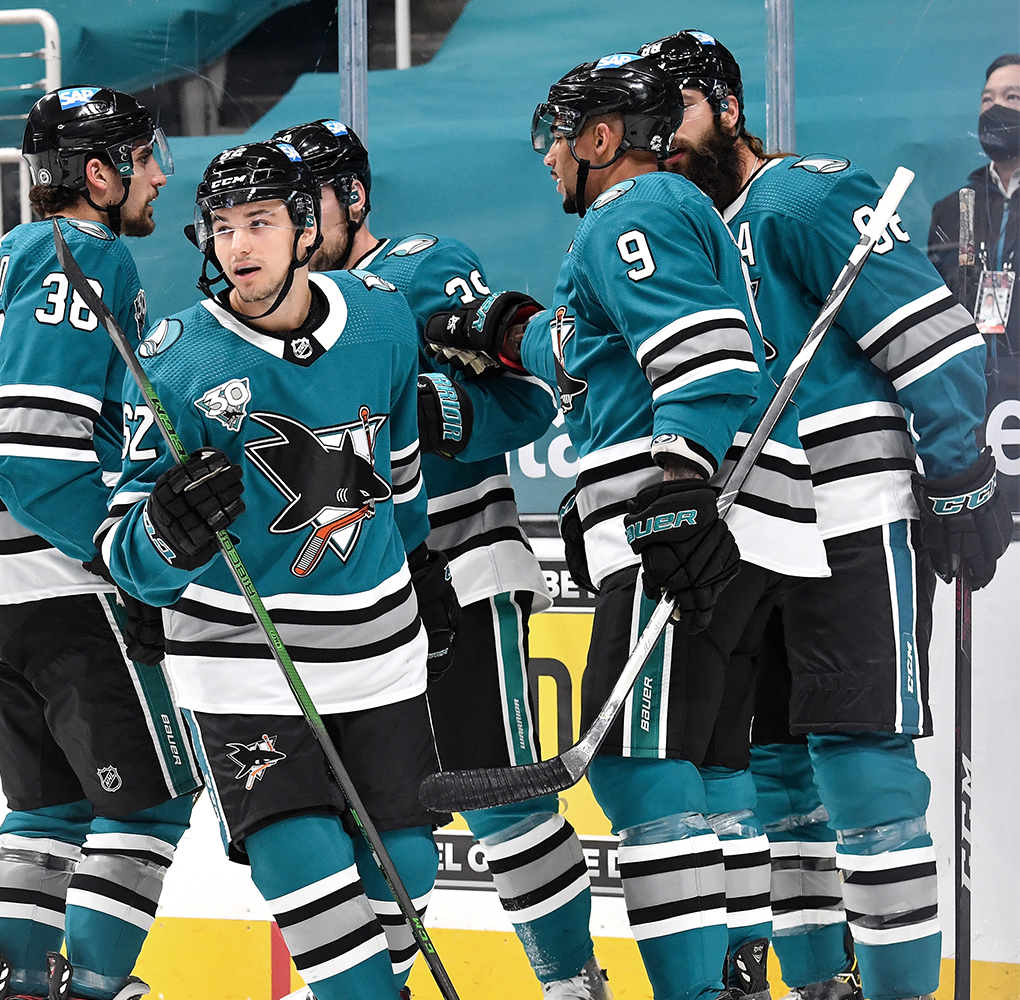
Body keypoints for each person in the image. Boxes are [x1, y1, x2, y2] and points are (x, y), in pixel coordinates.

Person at [424, 51, 829, 1000]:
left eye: (558, 139)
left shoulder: (631, 212)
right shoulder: (664, 218)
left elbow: (704, 353)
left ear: (603, 139)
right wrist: (503, 327)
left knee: (642, 776)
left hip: (682, 522)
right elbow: (595, 350)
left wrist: (680, 478)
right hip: (749, 522)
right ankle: (735, 981)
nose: (549, 159)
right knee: (714, 770)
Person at [647, 28, 1006, 1000]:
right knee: (774, 773)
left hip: (849, 514)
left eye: (675, 110)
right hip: (742, 531)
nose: (660, 138)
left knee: (863, 768)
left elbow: (932, 342)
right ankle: (817, 985)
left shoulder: (805, 197)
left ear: (726, 107)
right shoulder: (676, 234)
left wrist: (957, 469)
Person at [97, 141, 460, 1000]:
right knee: (307, 872)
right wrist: (165, 530)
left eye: (259, 223)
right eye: (221, 228)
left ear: (306, 230)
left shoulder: (380, 317)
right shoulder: (179, 358)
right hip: (241, 664)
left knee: (405, 860)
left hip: (379, 650)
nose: (237, 247)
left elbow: (400, 466)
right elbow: (123, 551)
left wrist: (420, 558)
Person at [271, 116, 611, 1000]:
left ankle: (572, 982)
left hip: (459, 568)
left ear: (352, 197)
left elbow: (536, 402)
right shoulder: (266, 318)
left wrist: (436, 410)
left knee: (503, 795)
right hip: (353, 600)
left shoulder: (420, 269)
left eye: (306, 207)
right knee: (364, 820)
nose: (293, 232)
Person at [0, 86, 201, 1000]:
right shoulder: (86, 259)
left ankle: (22, 985)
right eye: (146, 156)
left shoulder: (8, 256)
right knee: (150, 801)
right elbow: (37, 460)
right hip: (54, 575)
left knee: (47, 809)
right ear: (98, 173)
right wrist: (130, 562)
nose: (160, 173)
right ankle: (92, 989)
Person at [929, 53, 1020, 354]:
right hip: (975, 383)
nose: (995, 109)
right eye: (987, 100)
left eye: (1012, 97)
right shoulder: (953, 210)